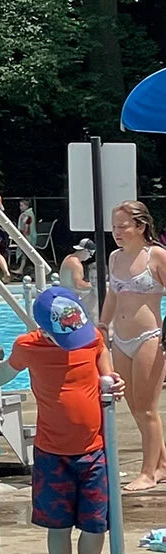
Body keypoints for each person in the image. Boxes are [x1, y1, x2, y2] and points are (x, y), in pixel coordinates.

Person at [0, 287, 114, 554]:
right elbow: (9, 369)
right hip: (52, 453)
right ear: (44, 331)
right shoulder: (28, 346)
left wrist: (109, 376)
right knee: (58, 525)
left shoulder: (89, 336)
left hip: (94, 450)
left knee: (96, 525)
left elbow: (100, 351)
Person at [99, 200, 166, 491]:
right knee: (134, 406)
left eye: (123, 226)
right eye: (114, 227)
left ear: (140, 226)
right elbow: (113, 295)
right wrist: (103, 326)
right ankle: (161, 463)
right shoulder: (115, 258)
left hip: (148, 338)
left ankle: (148, 472)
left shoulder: (156, 256)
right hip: (121, 340)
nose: (117, 232)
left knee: (147, 408)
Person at [59, 237, 98, 319]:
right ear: (85, 251)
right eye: (91, 254)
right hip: (71, 299)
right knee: (96, 294)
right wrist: (96, 285)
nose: (90, 257)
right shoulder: (76, 264)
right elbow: (79, 285)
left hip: (65, 295)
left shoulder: (69, 257)